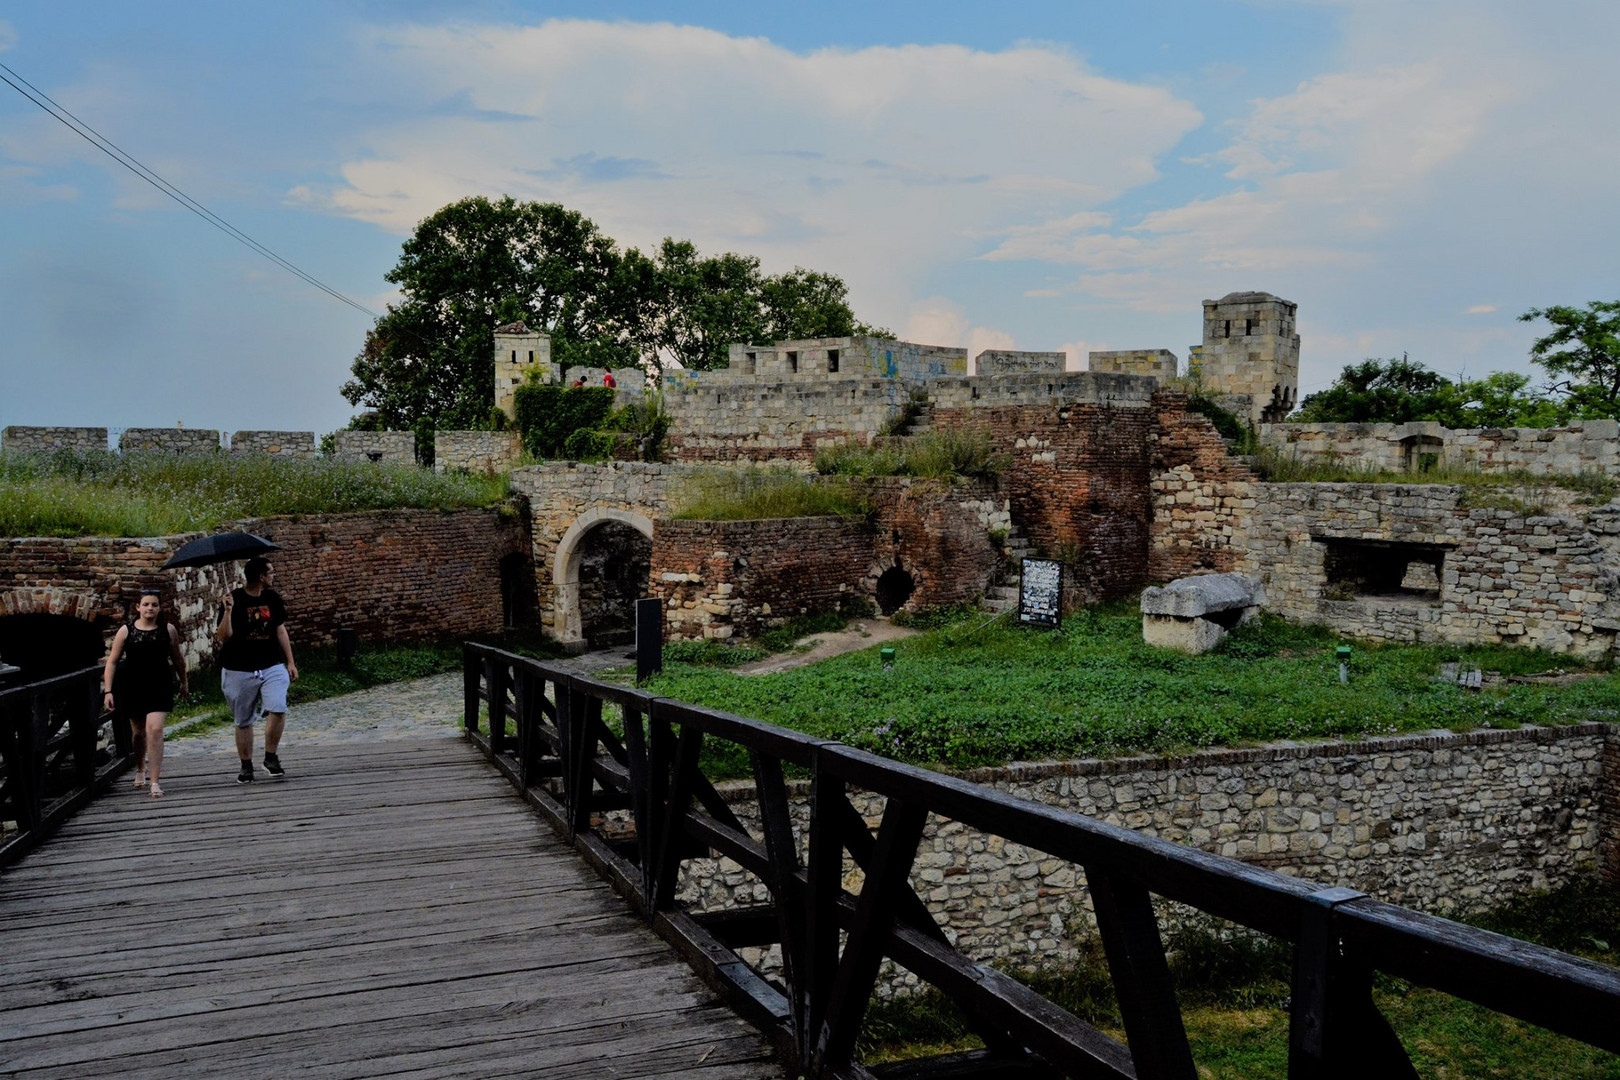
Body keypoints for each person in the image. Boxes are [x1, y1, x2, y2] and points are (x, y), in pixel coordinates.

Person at [216, 557, 298, 784]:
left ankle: (270, 757)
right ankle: (246, 766)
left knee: (278, 707)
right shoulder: (233, 599)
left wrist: (290, 662)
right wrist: (227, 612)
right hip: (238, 667)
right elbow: (224, 637)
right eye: (271, 572)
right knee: (243, 720)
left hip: (271, 663)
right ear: (261, 576)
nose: (274, 575)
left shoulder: (272, 598)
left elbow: (280, 630)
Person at [102, 589, 187, 798]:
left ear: (159, 608)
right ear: (138, 607)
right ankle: (140, 767)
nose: (150, 608)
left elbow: (177, 658)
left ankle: (155, 782)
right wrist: (108, 690)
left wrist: (184, 681)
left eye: (154, 605)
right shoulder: (126, 631)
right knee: (139, 732)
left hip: (160, 684)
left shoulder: (168, 630)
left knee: (155, 729)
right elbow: (112, 661)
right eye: (146, 604)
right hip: (133, 685)